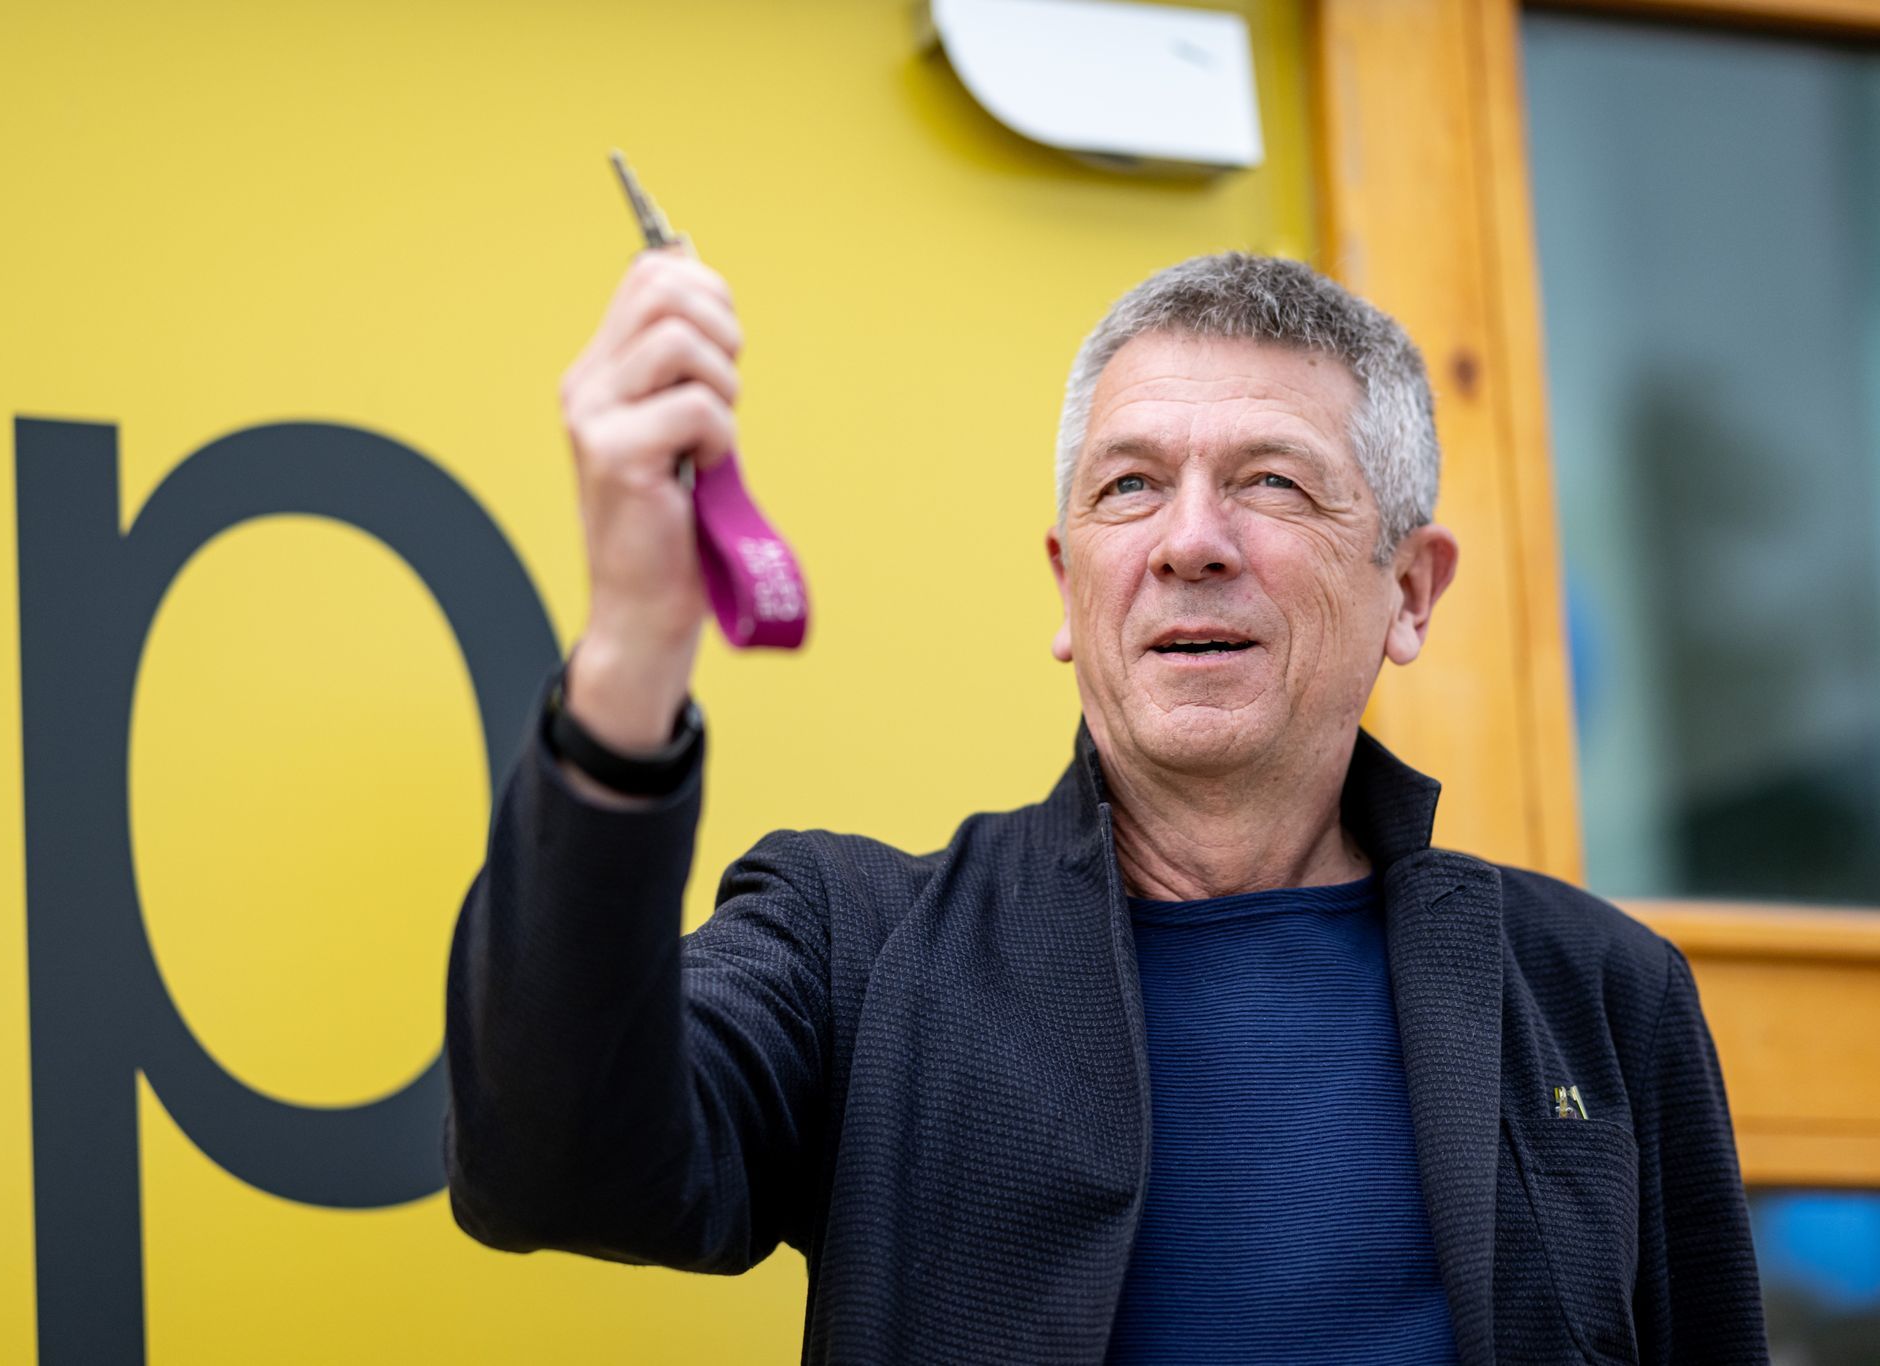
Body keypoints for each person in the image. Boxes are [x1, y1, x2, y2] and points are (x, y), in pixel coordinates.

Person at [441, 248, 1768, 1365]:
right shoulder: (853, 947)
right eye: (1131, 485)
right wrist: (631, 644)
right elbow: (549, 1161)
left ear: (1410, 590)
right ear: (1070, 581)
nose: (1190, 541)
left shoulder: (1604, 996)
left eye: (1271, 480)